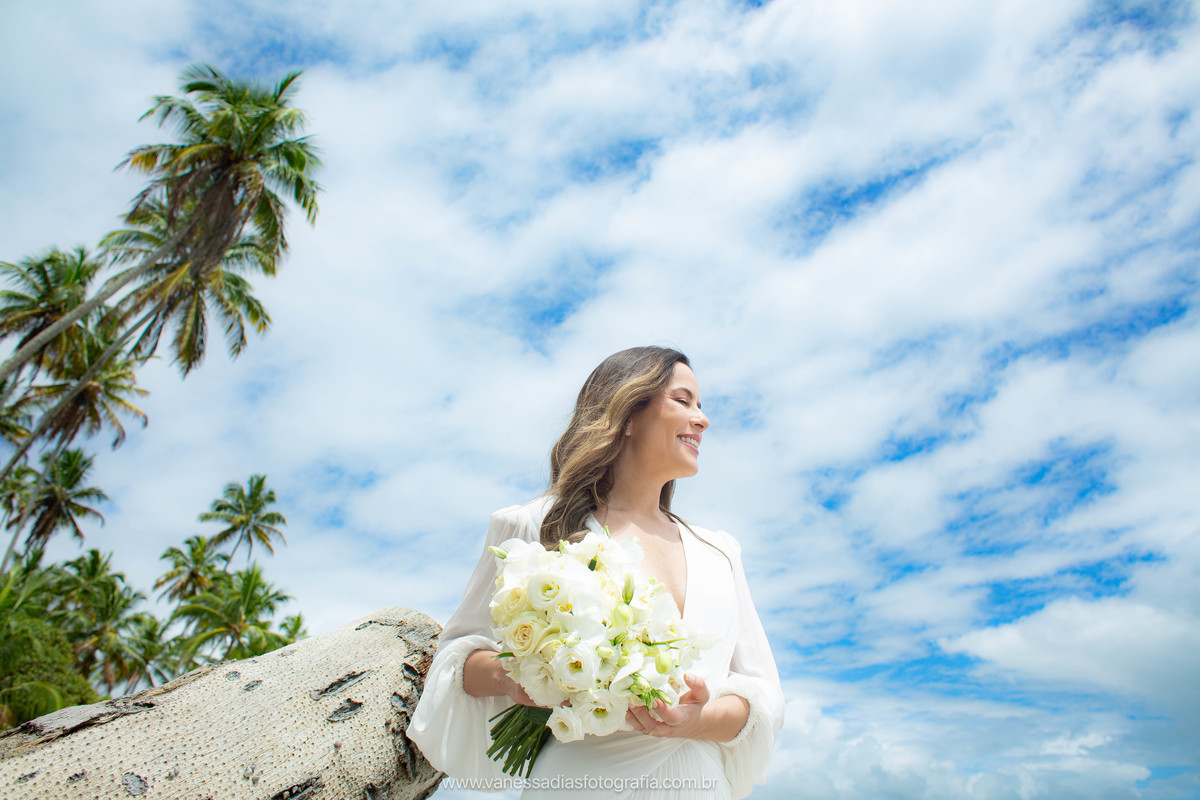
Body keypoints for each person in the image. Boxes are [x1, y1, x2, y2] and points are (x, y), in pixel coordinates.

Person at [407, 347, 784, 799]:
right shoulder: (534, 525)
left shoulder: (720, 553)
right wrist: (518, 674)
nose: (702, 419)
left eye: (700, 406)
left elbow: (762, 698)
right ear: (627, 412)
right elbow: (456, 660)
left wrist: (698, 721)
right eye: (683, 401)